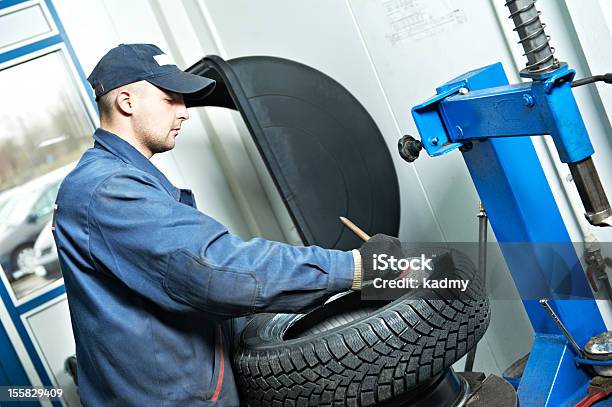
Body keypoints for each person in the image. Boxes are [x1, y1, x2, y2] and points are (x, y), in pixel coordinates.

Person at [53, 43, 402, 406]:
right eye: (170, 98)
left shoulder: (122, 180)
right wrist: (358, 267)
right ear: (127, 101)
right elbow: (215, 269)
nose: (184, 112)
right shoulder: (108, 191)